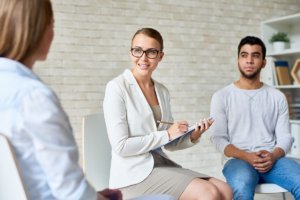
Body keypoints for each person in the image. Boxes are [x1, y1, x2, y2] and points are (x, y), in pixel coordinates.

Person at [0, 0, 122, 199]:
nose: (53, 34)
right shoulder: (34, 97)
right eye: (52, 24)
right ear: (36, 29)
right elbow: (72, 193)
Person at [103, 27, 232, 200]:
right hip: (132, 176)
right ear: (130, 52)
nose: (143, 58)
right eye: (138, 50)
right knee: (209, 193)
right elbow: (121, 146)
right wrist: (167, 134)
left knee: (225, 189)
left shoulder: (162, 91)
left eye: (151, 52)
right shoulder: (117, 87)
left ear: (160, 57)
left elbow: (169, 143)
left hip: (160, 166)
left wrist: (193, 134)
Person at [210, 35, 300, 200]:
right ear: (238, 60)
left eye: (255, 55)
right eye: (244, 55)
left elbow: (285, 137)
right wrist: (246, 156)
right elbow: (218, 139)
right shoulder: (222, 96)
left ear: (264, 62)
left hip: (273, 159)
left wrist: (273, 155)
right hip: (238, 160)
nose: (249, 60)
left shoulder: (277, 96)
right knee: (241, 187)